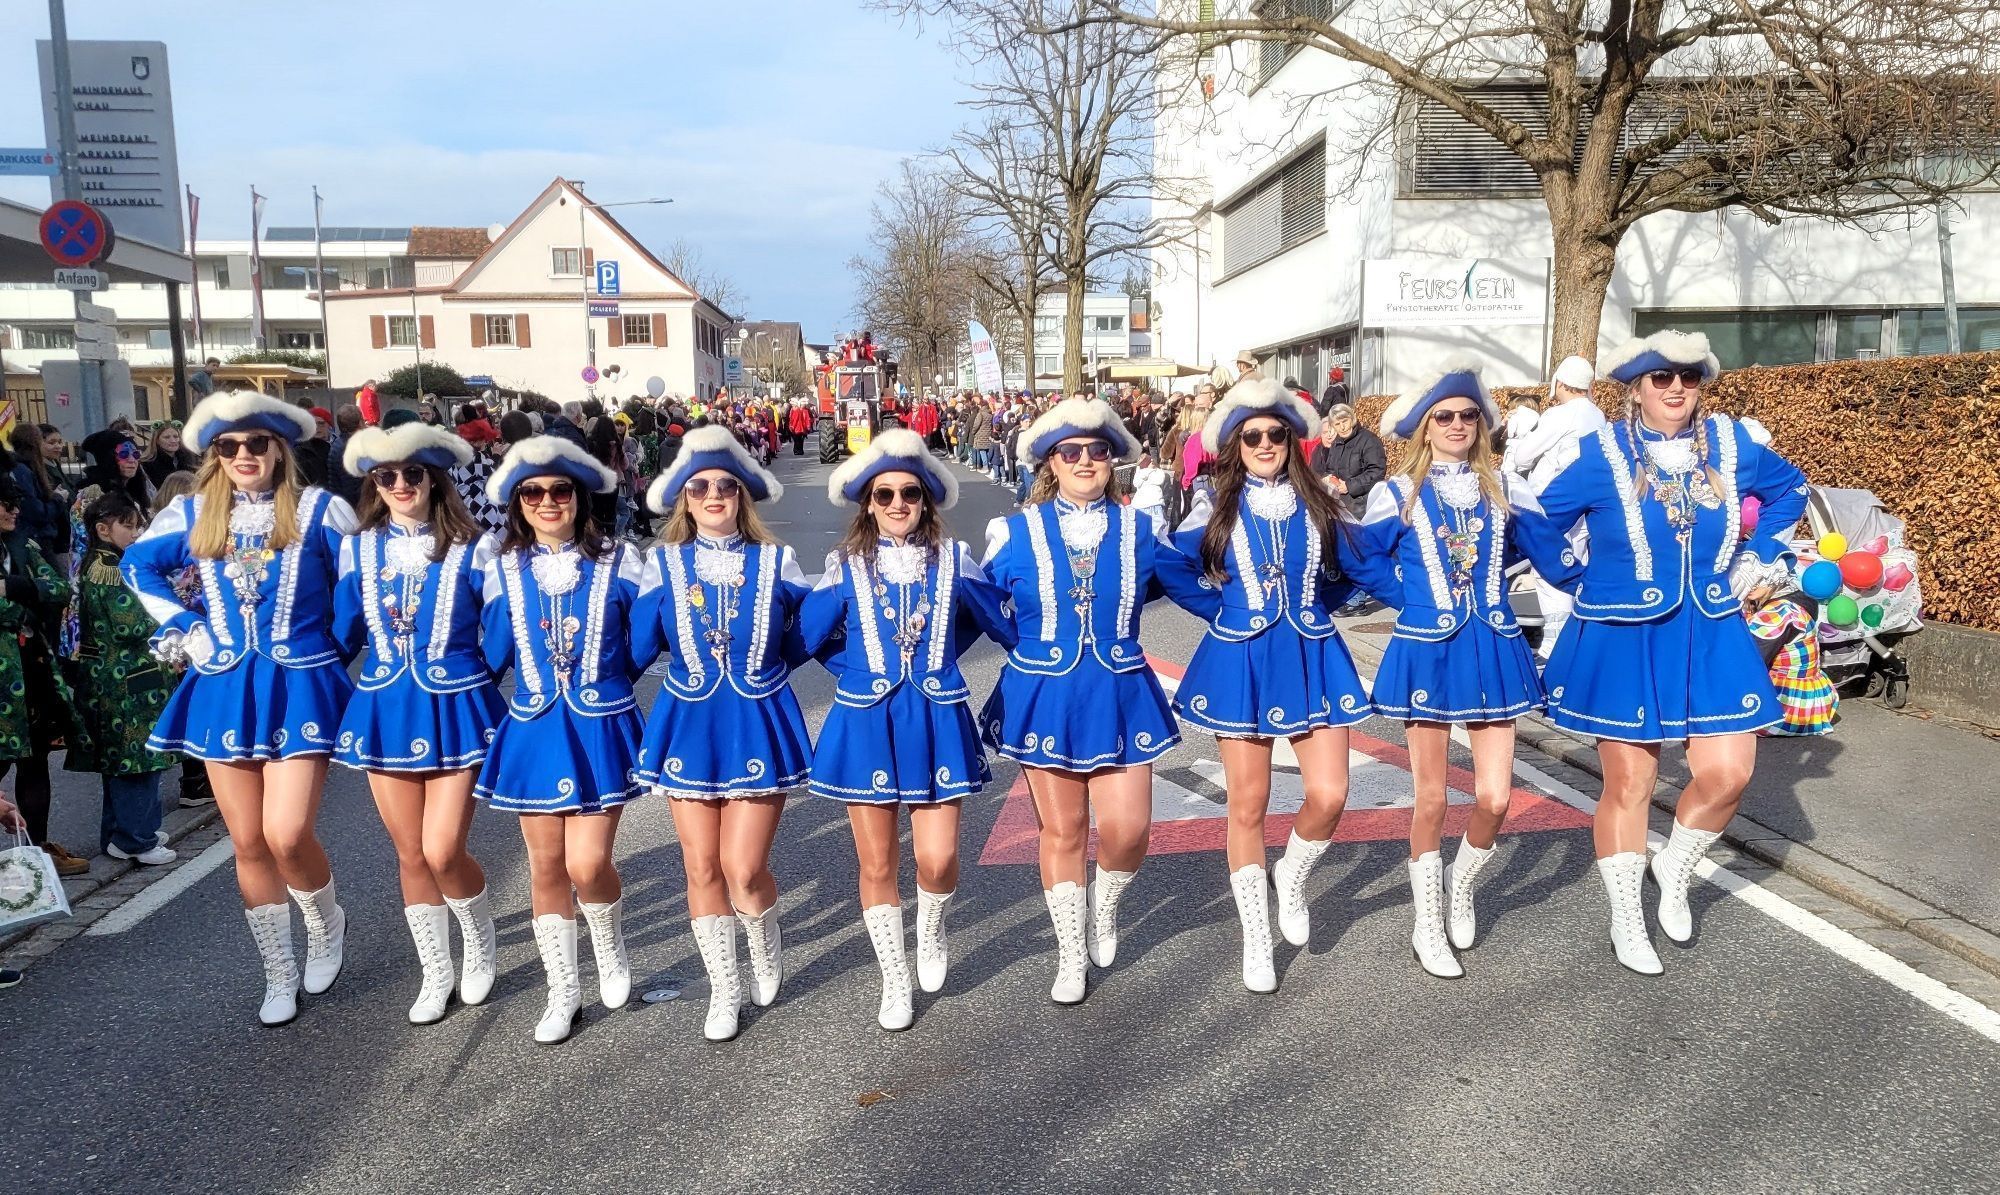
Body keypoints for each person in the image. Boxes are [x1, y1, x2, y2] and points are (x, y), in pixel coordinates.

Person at [1534, 330, 1809, 974]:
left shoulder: (1734, 445)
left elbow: (1790, 490)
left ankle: (1676, 866)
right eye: (1662, 378)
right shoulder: (1602, 452)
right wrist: (1580, 579)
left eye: (1689, 377)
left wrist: (1760, 555)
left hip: (1711, 628)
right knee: (1632, 782)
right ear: (1637, 387)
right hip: (1626, 635)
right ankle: (1626, 914)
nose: (1677, 388)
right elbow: (1541, 521)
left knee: (1729, 774)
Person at [121, 391, 358, 1026]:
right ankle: (278, 972)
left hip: (301, 683)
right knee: (248, 840)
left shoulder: (319, 510)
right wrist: (186, 625)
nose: (244, 455)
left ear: (280, 448)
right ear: (216, 455)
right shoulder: (192, 513)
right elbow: (136, 566)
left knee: (287, 833)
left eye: (257, 444)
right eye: (230, 447)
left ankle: (326, 920)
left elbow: (360, 584)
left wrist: (333, 646)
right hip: (224, 685)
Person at [1339, 363, 1579, 978]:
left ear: (1482, 424)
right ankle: (1427, 920)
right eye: (1443, 416)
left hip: (1495, 647)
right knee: (1429, 797)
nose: (1456, 425)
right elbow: (1362, 561)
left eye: (1467, 415)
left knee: (1496, 797)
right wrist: (1409, 596)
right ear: (1423, 427)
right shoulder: (1397, 492)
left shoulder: (1507, 489)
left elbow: (1555, 560)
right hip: (1427, 649)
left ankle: (1462, 886)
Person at [1156, 379, 1370, 992]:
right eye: (1253, 436)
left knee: (1330, 794)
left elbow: (1355, 568)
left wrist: (1320, 603)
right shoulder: (1214, 509)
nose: (1266, 443)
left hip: (1312, 654)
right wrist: (1222, 610)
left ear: (1293, 440)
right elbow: (1172, 564)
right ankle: (1256, 936)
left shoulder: (1322, 505)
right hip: (1242, 660)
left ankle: (1293, 877)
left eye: (1277, 433)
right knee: (1246, 806)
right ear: (1235, 445)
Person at [797, 430, 1014, 1031]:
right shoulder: (844, 566)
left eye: (910, 494)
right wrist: (857, 671)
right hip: (864, 722)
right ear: (867, 502)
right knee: (876, 863)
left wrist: (942, 657)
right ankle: (894, 977)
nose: (898, 504)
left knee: (939, 858)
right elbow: (805, 640)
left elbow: (995, 623)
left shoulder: (955, 560)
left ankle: (932, 930)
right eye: (884, 493)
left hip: (937, 718)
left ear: (926, 501)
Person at [980, 399, 1180, 1004]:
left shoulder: (1141, 527)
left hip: (1120, 691)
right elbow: (981, 605)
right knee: (1063, 830)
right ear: (1051, 462)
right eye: (1072, 452)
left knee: (1129, 830)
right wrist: (1028, 650)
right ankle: (1071, 951)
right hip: (1046, 694)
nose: (1086, 460)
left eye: (1098, 451)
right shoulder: (1013, 531)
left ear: (1112, 460)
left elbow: (1192, 584)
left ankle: (1105, 907)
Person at [630, 428, 810, 1041]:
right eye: (699, 486)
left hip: (757, 723)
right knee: (701, 865)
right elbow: (631, 650)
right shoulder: (662, 565)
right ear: (683, 497)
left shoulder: (776, 561)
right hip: (687, 726)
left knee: (743, 866)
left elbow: (805, 639)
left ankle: (762, 933)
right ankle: (723, 989)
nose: (712, 494)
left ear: (742, 496)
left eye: (725, 486)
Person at [331, 423, 504, 1026]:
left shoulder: (474, 547)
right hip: (385, 706)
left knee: (443, 847)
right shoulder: (358, 547)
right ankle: (436, 971)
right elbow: (342, 631)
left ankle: (479, 941)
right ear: (375, 484)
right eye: (387, 476)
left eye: (412, 473)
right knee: (410, 853)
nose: (400, 484)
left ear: (435, 479)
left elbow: (505, 632)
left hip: (456, 704)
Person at [475, 436, 645, 1044]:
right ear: (518, 503)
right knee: (546, 864)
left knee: (588, 861)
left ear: (579, 497)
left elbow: (644, 643)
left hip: (600, 727)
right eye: (533, 493)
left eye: (560, 491)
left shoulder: (621, 561)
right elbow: (488, 656)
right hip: (535, 727)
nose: (548, 502)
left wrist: (609, 681)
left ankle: (608, 940)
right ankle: (562, 991)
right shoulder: (497, 570)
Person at [66, 492, 179, 867]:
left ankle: (124, 832)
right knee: (136, 760)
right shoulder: (112, 569)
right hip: (127, 678)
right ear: (102, 529)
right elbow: (130, 623)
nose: (135, 532)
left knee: (122, 761)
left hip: (118, 677)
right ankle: (136, 837)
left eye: (136, 524)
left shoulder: (100, 563)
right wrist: (170, 611)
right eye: (126, 525)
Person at [0, 476, 85, 877]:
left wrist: (15, 587)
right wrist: (23, 602)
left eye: (15, 501)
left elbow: (58, 588)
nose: (14, 509)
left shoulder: (24, 545)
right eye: (5, 502)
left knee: (34, 762)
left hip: (31, 670)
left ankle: (36, 854)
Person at [1503, 354, 1606, 660]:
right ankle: (1574, 638)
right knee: (1575, 565)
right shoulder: (1597, 415)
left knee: (1551, 571)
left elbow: (1523, 457)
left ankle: (1554, 647)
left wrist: (1520, 437)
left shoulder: (1561, 415)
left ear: (1560, 382)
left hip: (1554, 503)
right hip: (1587, 507)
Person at [1310, 403, 1387, 515]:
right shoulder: (1337, 442)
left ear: (1352, 419)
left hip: (1363, 506)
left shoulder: (1369, 440)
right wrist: (1327, 478)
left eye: (1345, 421)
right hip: (1339, 505)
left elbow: (1377, 471)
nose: (1342, 427)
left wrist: (1350, 486)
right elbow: (1330, 468)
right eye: (1337, 424)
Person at [140, 422, 200, 489]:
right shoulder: (147, 464)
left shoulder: (189, 460)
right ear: (157, 440)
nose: (173, 440)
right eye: (167, 437)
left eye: (176, 436)